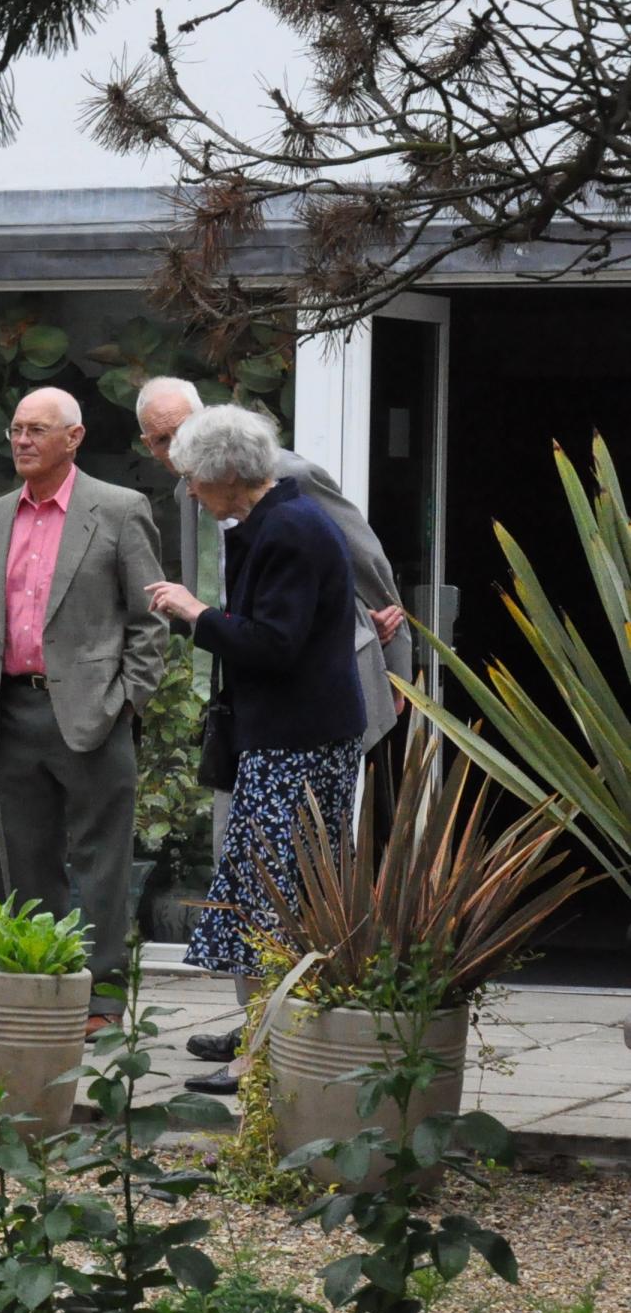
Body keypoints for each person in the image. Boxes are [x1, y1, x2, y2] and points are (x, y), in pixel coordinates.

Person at [136, 374, 407, 1063]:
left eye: (189, 464)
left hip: (300, 728)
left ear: (224, 467)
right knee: (262, 884)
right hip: (267, 723)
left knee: (281, 889)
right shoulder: (253, 514)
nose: (184, 483)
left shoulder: (289, 511)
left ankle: (278, 1043)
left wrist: (196, 616)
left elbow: (283, 633)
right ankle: (266, 1032)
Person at [0, 387, 167, 1032]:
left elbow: (148, 617)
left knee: (102, 862)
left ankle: (100, 1001)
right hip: (9, 711)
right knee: (26, 858)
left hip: (94, 712)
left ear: (73, 437)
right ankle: (42, 987)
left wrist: (129, 699)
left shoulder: (120, 510)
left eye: (36, 430)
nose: (20, 441)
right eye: (14, 429)